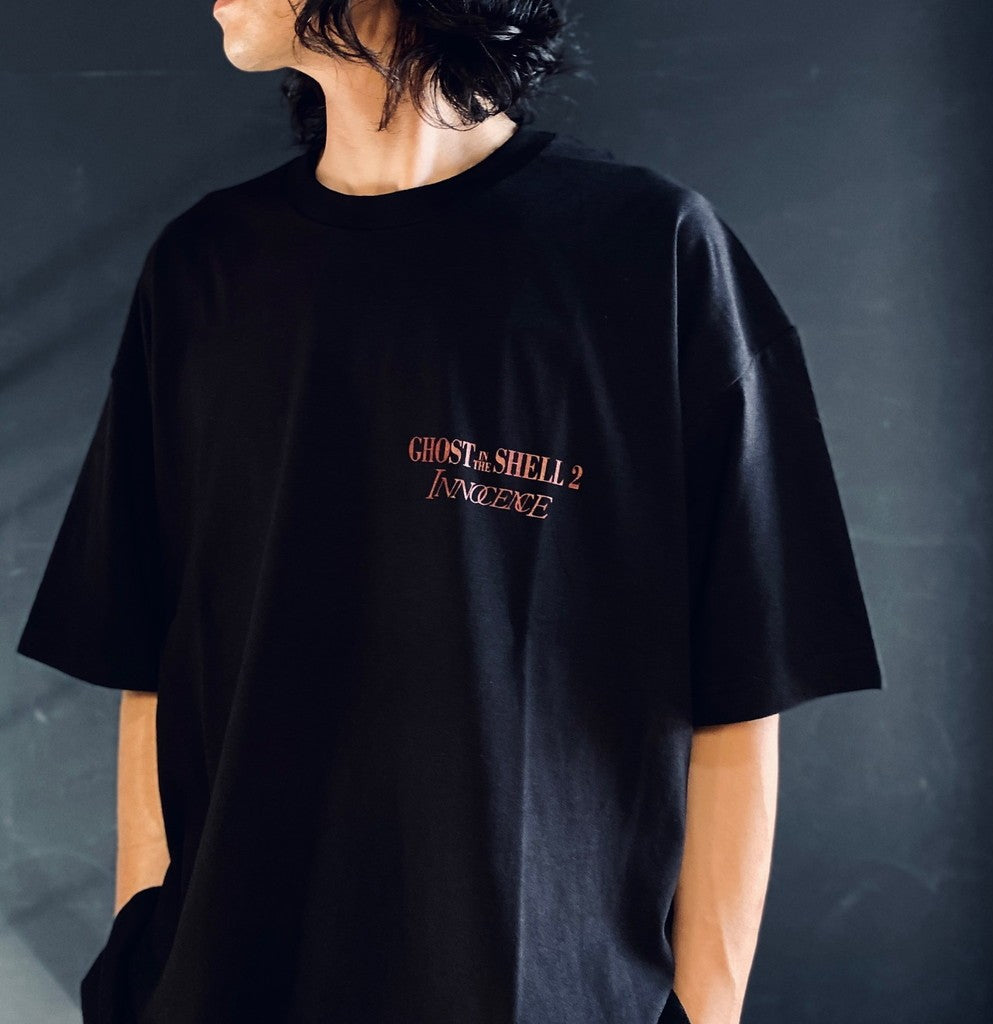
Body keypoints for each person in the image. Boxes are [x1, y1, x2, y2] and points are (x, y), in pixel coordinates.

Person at [15, 2, 886, 1023]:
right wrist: (145, 964)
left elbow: (742, 683)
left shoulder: (648, 257)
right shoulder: (203, 269)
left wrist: (705, 1012)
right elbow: (150, 658)